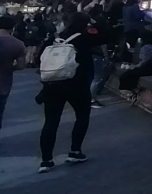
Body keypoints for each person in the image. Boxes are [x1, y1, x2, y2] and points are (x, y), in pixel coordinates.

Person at [37, 9, 106, 173]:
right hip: (77, 84)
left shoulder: (55, 38)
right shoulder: (85, 37)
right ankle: (75, 151)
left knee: (51, 121)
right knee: (82, 116)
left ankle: (46, 160)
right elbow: (106, 36)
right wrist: (95, 22)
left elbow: (40, 56)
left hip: (53, 85)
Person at [0, 15, 28, 135]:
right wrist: (9, 68)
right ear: (12, 28)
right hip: (3, 82)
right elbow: (21, 66)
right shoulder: (18, 44)